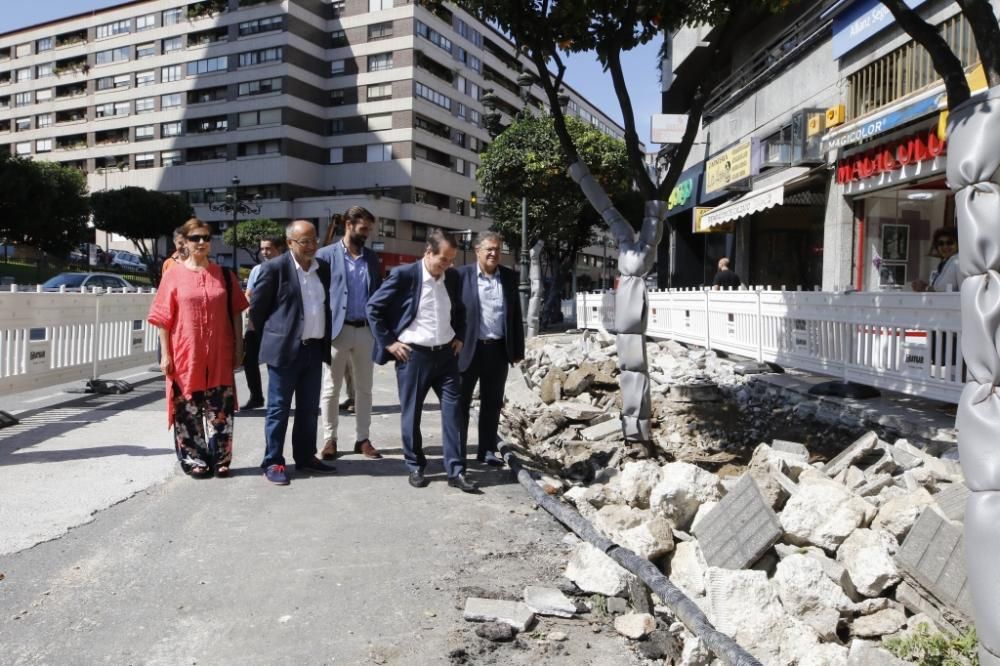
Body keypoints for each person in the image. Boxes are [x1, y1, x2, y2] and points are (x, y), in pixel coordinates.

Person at [366, 229, 475, 492]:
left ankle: (456, 470)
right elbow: (374, 308)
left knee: (454, 413)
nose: (447, 265)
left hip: (447, 356)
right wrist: (390, 343)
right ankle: (415, 465)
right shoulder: (405, 276)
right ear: (428, 253)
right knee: (411, 413)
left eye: (451, 260)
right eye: (443, 260)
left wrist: (459, 335)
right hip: (414, 356)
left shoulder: (452, 278)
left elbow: (460, 309)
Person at [147, 218, 248, 478]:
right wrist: (166, 354)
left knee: (220, 410)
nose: (201, 242)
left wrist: (239, 346)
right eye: (195, 238)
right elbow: (162, 319)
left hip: (219, 353)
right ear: (185, 242)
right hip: (185, 355)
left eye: (205, 237)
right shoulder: (173, 275)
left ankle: (221, 459)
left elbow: (236, 312)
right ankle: (196, 460)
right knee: (188, 412)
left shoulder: (224, 275)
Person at [250, 220, 337, 485]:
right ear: (290, 243)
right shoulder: (274, 269)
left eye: (314, 240)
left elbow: (323, 306)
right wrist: (274, 340)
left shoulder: (323, 269)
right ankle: (273, 461)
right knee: (278, 409)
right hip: (285, 352)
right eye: (305, 241)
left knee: (309, 409)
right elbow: (257, 311)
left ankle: (305, 456)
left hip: (313, 349)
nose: (312, 246)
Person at [316, 206, 384, 460]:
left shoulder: (372, 258)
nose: (367, 234)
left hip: (365, 330)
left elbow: (376, 294)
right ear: (348, 224)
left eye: (369, 229)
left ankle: (362, 439)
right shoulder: (326, 255)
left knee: (364, 388)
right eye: (363, 228)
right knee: (331, 388)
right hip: (337, 330)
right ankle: (329, 439)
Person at [457, 232, 524, 468]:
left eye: (497, 249)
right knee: (460, 403)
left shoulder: (508, 277)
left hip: (497, 350)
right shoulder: (461, 275)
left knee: (492, 403)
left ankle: (486, 450)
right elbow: (451, 313)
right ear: (477, 251)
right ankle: (457, 454)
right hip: (468, 350)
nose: (494, 253)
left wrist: (517, 349)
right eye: (489, 249)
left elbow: (515, 315)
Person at [240, 235, 285, 410]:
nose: (265, 252)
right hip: (257, 323)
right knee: (249, 359)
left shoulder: (287, 268)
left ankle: (278, 400)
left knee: (277, 363)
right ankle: (256, 396)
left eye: (268, 248)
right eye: (262, 249)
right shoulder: (256, 270)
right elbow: (249, 294)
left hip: (278, 325)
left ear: (279, 249)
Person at [912, 227, 960, 292]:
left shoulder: (957, 261)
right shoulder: (944, 263)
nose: (945, 246)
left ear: (958, 244)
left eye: (950, 242)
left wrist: (925, 288)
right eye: (941, 243)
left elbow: (943, 288)